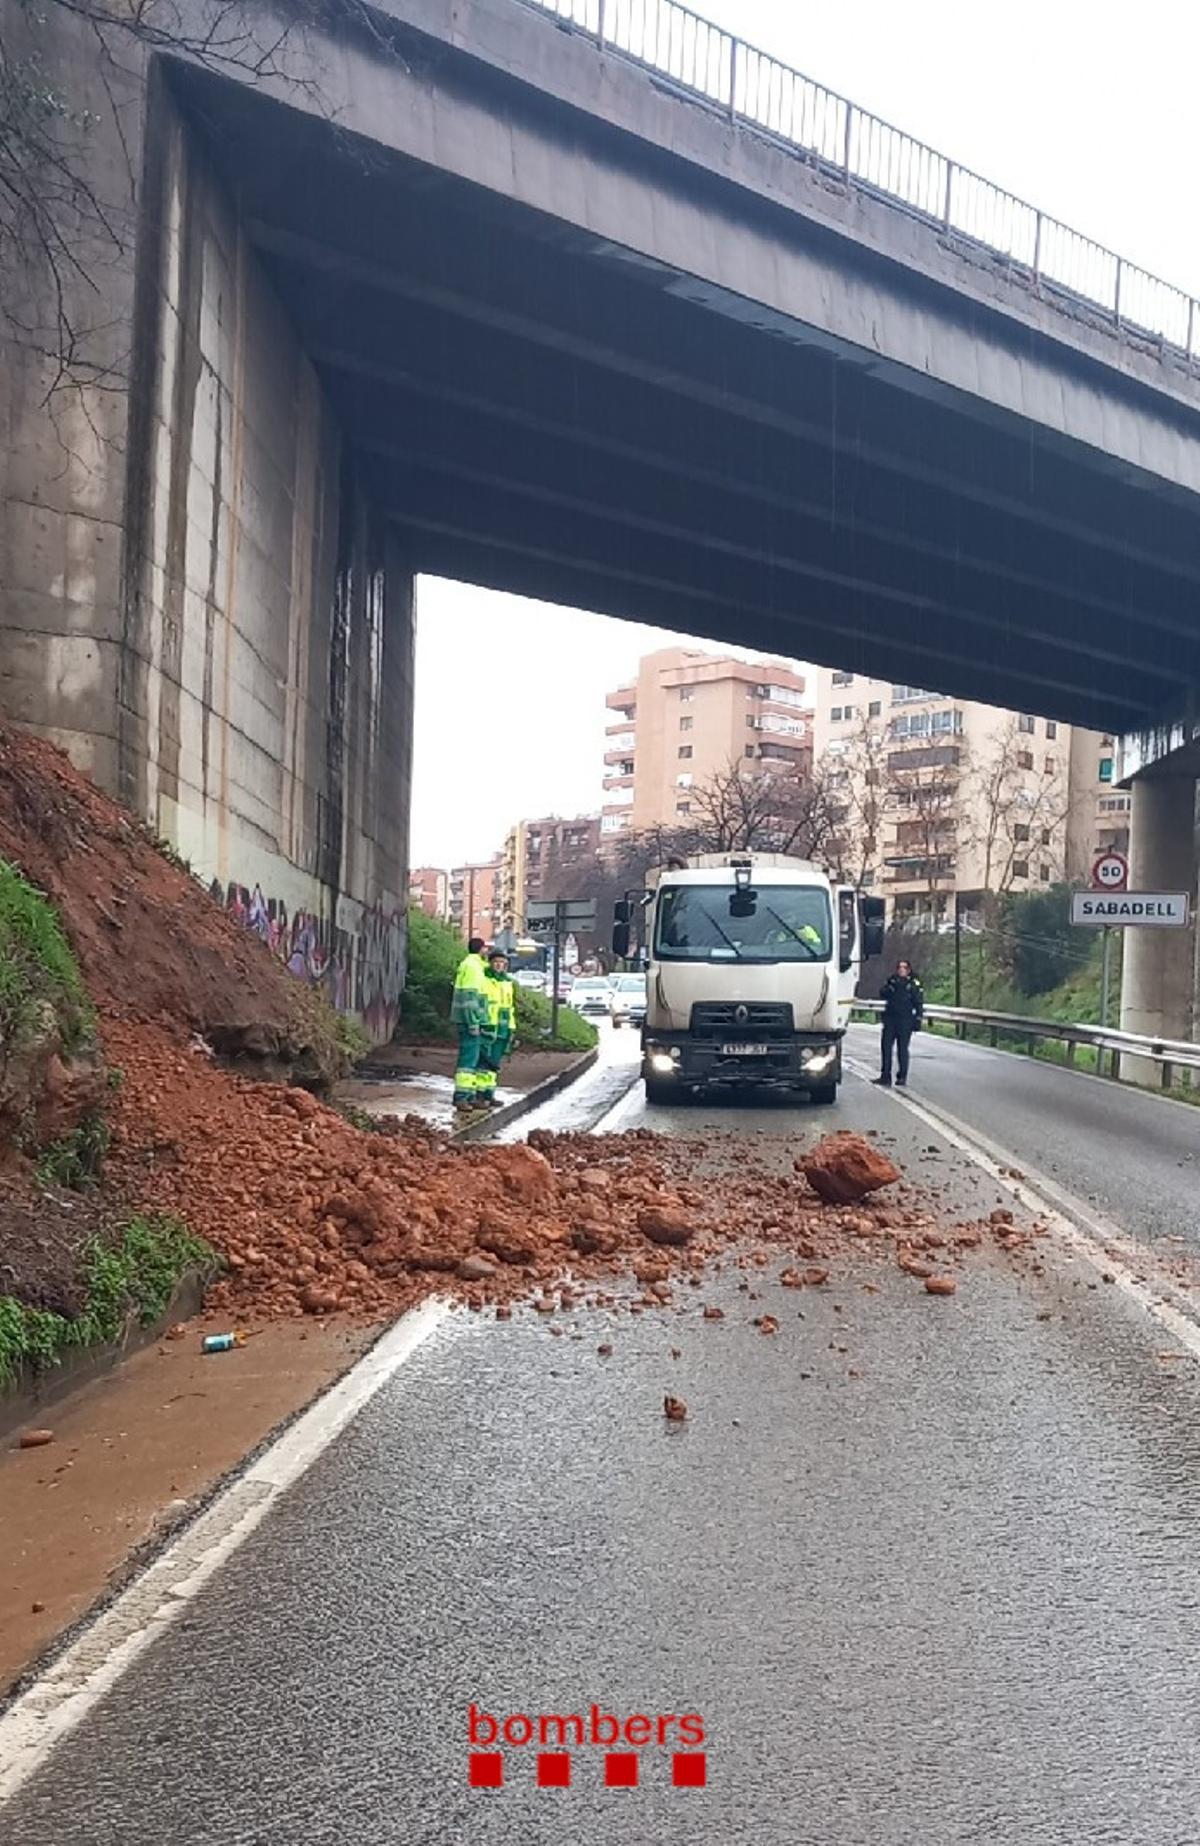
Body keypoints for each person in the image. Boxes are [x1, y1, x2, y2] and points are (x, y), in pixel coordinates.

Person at [450, 936, 490, 1109]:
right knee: (468, 1060)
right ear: (480, 949)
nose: (487, 951)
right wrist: (473, 1022)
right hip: (469, 1022)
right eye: (485, 948)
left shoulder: (473, 966)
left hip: (470, 1020)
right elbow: (470, 998)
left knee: (473, 1059)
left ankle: (470, 1095)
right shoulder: (473, 967)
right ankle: (462, 1097)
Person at [477, 949, 517, 1107]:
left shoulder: (507, 982)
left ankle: (490, 1093)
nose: (499, 966)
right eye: (496, 962)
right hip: (488, 1025)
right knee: (484, 1061)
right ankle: (480, 1094)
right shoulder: (484, 979)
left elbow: (509, 1006)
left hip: (503, 1027)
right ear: (490, 963)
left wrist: (512, 1028)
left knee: (495, 1062)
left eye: (502, 963)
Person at [875, 958, 924, 1088]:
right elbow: (882, 993)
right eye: (899, 967)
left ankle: (902, 1076)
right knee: (886, 1047)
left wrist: (918, 1019)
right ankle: (885, 1075)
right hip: (890, 1019)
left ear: (908, 970)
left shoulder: (913, 984)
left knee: (902, 1049)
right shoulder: (892, 981)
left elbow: (918, 1002)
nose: (901, 970)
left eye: (904, 967)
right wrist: (889, 988)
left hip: (905, 1020)